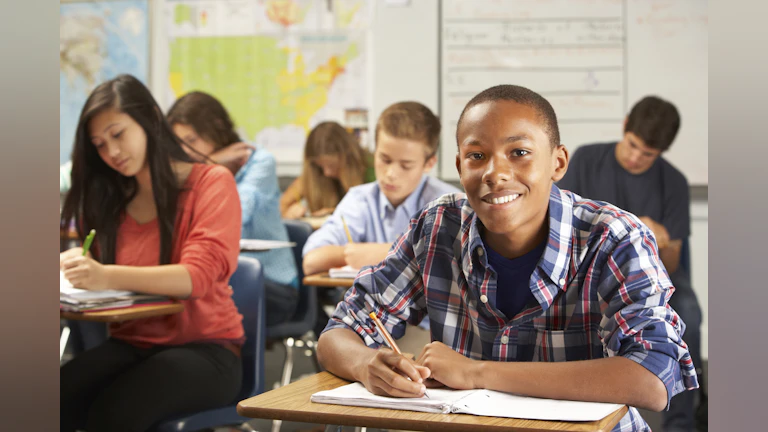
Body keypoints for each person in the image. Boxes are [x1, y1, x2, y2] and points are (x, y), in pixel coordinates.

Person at [316, 85, 699, 432]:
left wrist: (478, 373)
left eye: (519, 153)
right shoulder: (437, 228)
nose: (495, 173)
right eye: (477, 155)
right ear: (460, 167)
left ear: (558, 163)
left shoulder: (615, 239)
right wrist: (366, 365)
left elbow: (652, 379)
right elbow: (338, 333)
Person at [59, 75, 244, 432]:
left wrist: (104, 274)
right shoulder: (110, 199)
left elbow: (196, 277)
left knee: (114, 414)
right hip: (133, 344)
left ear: (149, 122)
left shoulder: (212, 183)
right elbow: (104, 289)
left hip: (207, 349)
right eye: (99, 144)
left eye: (118, 134)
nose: (111, 151)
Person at [557, 95, 704, 432]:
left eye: (648, 154)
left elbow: (673, 262)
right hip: (591, 273)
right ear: (625, 127)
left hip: (654, 279)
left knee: (688, 313)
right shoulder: (587, 159)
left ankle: (680, 423)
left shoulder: (674, 182)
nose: (637, 158)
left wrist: (663, 237)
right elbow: (562, 228)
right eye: (633, 145)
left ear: (662, 153)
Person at [168, 91, 298, 326]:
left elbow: (232, 215)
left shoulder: (259, 161)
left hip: (271, 284)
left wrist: (210, 168)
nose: (185, 151)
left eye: (192, 140)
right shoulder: (186, 170)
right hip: (220, 279)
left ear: (216, 129)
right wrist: (209, 164)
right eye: (179, 144)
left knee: (200, 299)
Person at [301, 101, 459, 277]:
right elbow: (311, 260)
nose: (390, 174)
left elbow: (461, 265)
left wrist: (384, 253)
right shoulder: (359, 199)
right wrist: (352, 254)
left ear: (429, 163)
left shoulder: (449, 205)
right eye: (385, 159)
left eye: (406, 165)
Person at [280, 121, 375, 219]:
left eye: (331, 165)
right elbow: (282, 206)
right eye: (320, 166)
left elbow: (375, 213)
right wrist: (290, 213)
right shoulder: (315, 173)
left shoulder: (372, 168)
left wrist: (335, 213)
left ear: (347, 158)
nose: (326, 172)